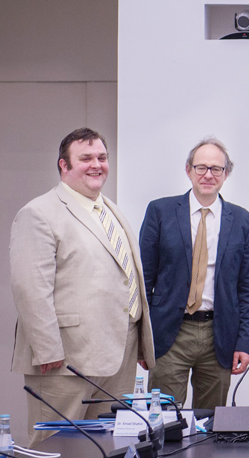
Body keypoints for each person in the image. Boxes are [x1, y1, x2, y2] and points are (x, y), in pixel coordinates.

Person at [10, 128, 155, 447]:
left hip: (118, 357)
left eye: (102, 158)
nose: (96, 165)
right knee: (55, 446)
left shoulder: (110, 211)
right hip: (64, 359)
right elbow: (30, 287)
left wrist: (141, 342)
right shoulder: (39, 213)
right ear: (63, 165)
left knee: (107, 447)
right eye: (85, 158)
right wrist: (47, 348)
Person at [139, 137, 249, 409]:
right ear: (188, 170)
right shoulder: (160, 212)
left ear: (226, 174)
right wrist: (141, 339)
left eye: (216, 169)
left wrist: (244, 342)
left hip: (219, 335)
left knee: (210, 423)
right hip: (170, 333)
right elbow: (143, 280)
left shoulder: (244, 222)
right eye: (201, 167)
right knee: (163, 419)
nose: (208, 175)